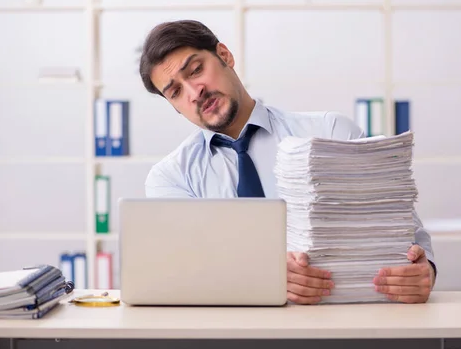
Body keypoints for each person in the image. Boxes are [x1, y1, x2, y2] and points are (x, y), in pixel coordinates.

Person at [139, 19, 436, 305]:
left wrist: (425, 270)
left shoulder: (331, 133)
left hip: (337, 327)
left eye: (195, 70)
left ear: (224, 55)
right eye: (176, 92)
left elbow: (402, 230)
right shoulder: (171, 178)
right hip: (231, 338)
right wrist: (263, 272)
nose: (194, 93)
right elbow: (186, 271)